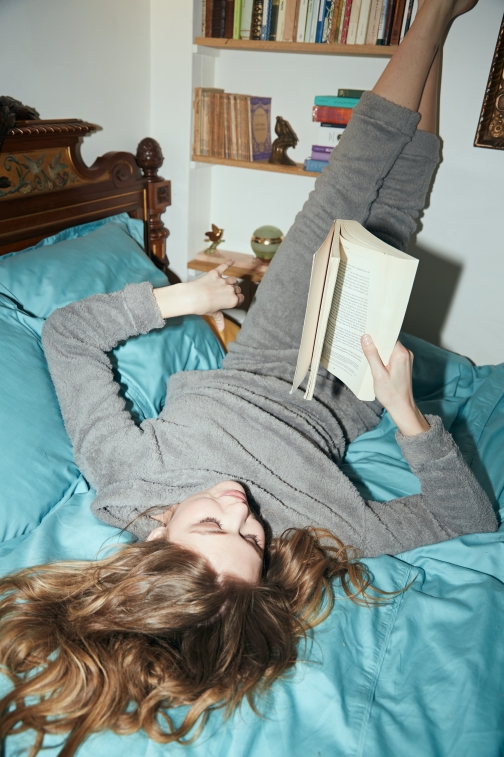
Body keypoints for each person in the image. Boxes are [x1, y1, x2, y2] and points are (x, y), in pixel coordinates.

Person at [0, 0, 496, 754]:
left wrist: (183, 300)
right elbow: (469, 519)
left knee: (348, 184)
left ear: (156, 533)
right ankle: (446, 25)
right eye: (251, 540)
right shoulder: (321, 540)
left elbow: (69, 338)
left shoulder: (125, 476)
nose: (238, 511)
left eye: (210, 524)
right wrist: (407, 413)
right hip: (353, 389)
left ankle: (431, 10)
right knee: (398, 212)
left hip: (266, 353)